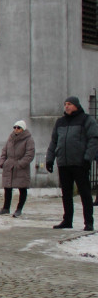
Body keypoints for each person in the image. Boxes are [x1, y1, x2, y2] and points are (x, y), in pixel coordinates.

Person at [46, 96, 98, 230]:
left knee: (85, 193)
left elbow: (94, 139)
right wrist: (50, 159)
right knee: (66, 194)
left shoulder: (86, 120)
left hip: (79, 163)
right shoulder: (60, 122)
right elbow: (54, 142)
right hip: (63, 163)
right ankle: (67, 220)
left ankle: (89, 222)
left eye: (69, 104)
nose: (66, 106)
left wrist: (88, 158)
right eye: (65, 104)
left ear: (76, 105)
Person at [0, 120, 36, 217]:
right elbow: (4, 151)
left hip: (21, 167)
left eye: (18, 127)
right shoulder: (10, 138)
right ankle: (6, 208)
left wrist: (20, 164)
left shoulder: (29, 139)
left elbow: (30, 154)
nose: (16, 129)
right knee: (7, 188)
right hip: (9, 166)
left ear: (23, 129)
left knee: (22, 188)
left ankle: (19, 209)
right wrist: (2, 163)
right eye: (15, 127)